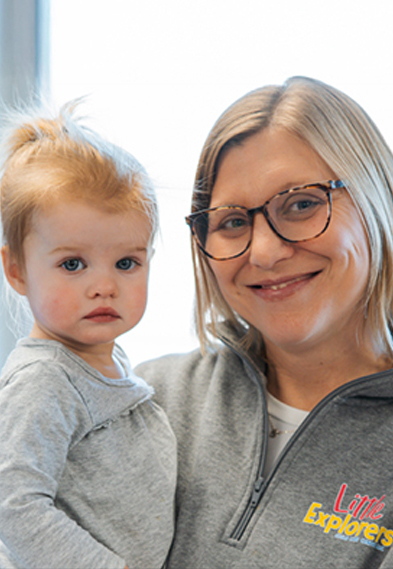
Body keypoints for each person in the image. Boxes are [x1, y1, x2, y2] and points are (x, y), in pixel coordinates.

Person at [136, 76, 393, 568]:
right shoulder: (143, 402)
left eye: (301, 204)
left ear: (376, 200)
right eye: (232, 221)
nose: (266, 252)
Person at [0, 103, 176, 569]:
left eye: (126, 263)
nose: (104, 285)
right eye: (72, 264)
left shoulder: (108, 362)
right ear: (17, 270)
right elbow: (12, 506)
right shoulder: (45, 380)